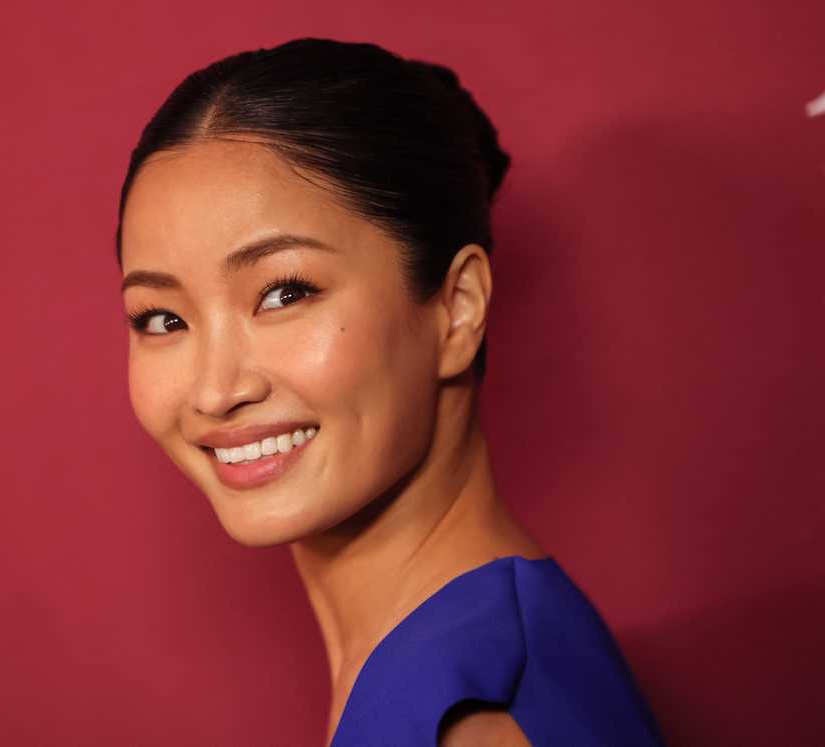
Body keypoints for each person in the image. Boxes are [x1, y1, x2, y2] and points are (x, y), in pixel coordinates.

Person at [115, 37, 663, 746]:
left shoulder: (475, 718)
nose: (216, 389)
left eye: (285, 292)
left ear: (458, 306)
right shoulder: (452, 655)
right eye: (163, 318)